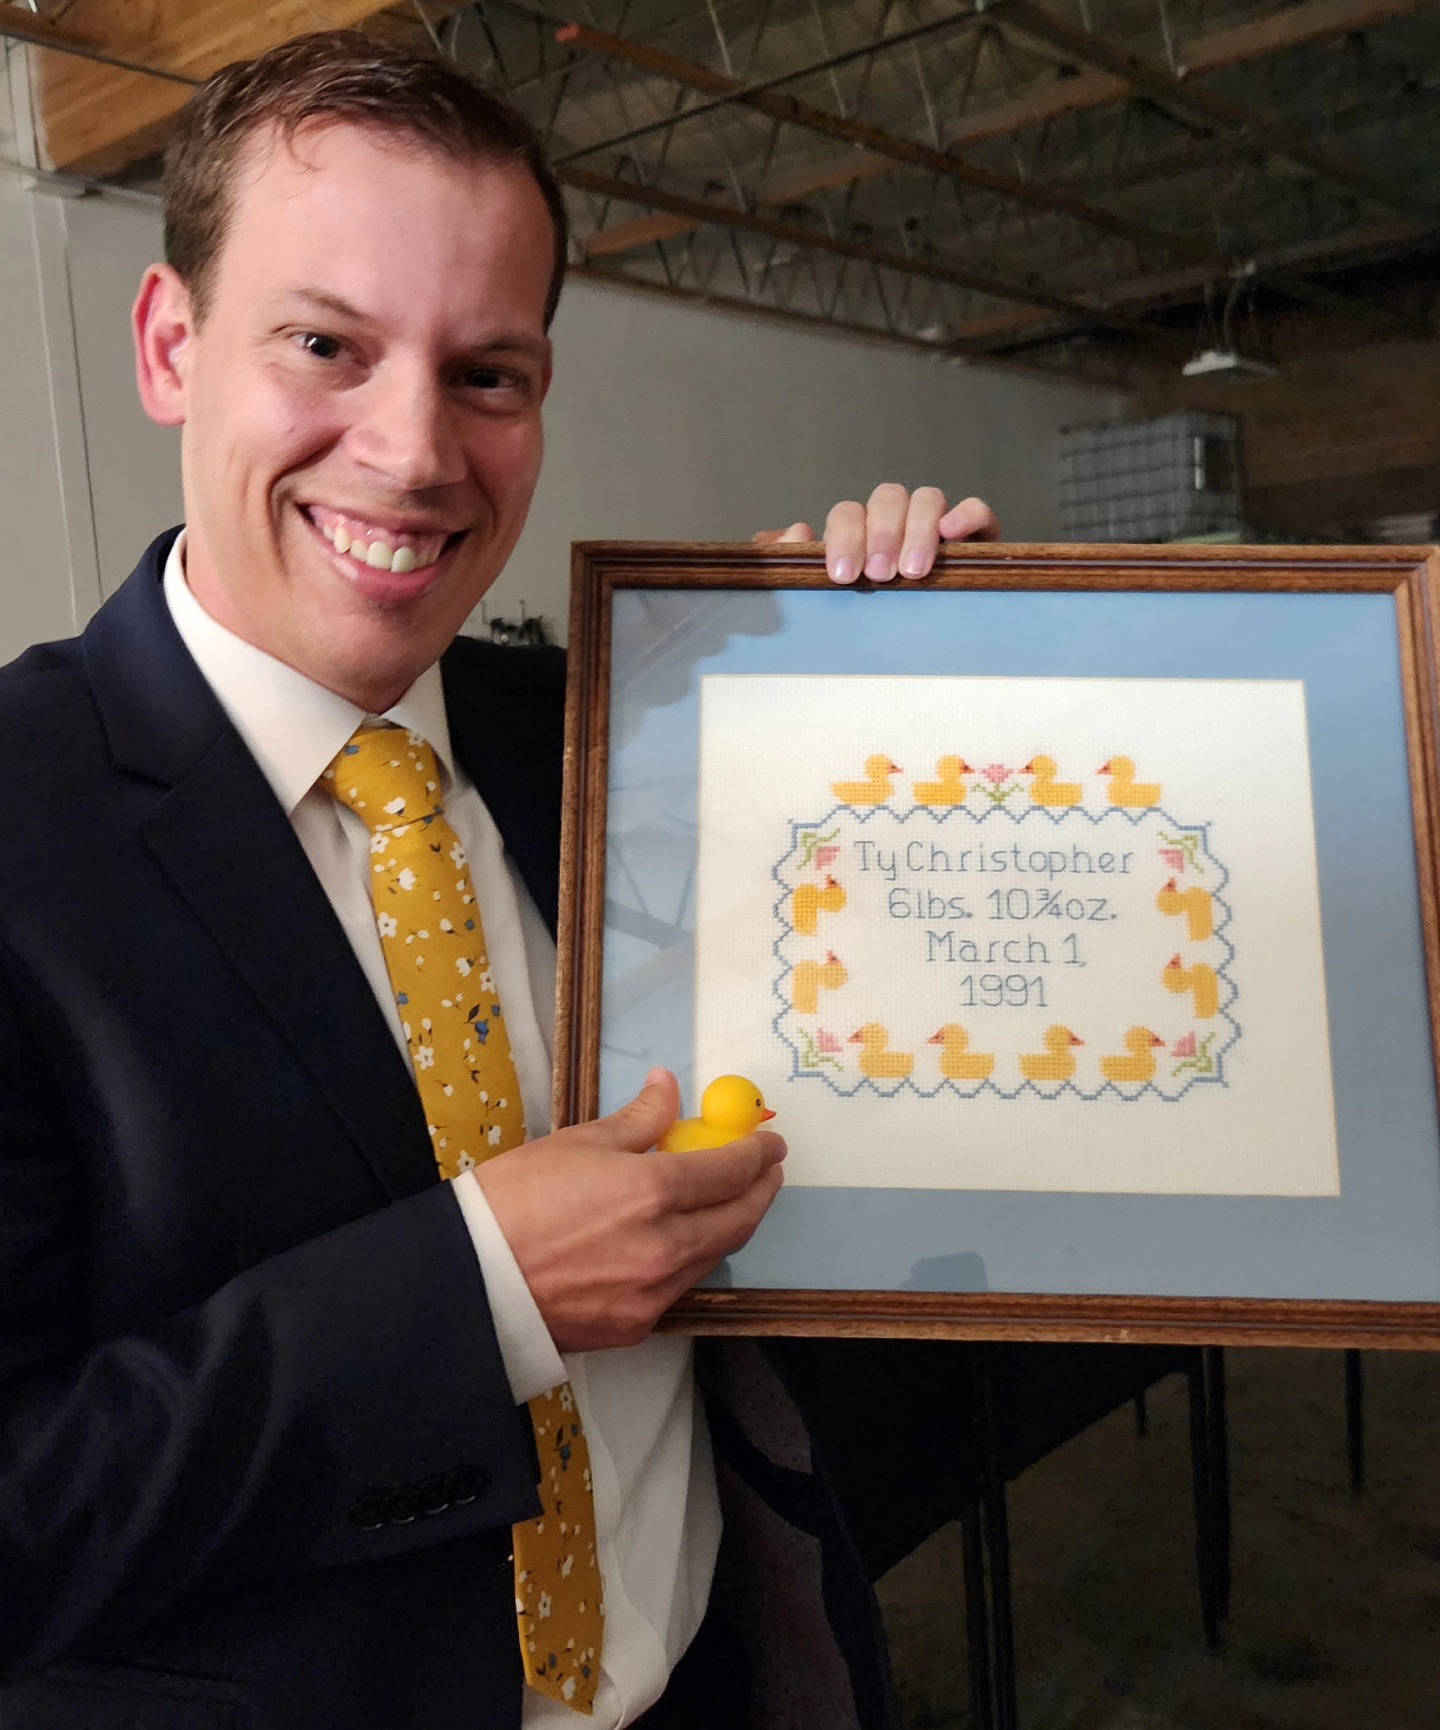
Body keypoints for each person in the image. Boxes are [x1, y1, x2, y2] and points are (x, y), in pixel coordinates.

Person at [0, 32, 998, 1730]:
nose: (411, 453)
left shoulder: (620, 726)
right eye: (326, 344)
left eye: (489, 373)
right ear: (173, 345)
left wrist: (879, 659)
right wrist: (478, 1299)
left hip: (717, 1679)